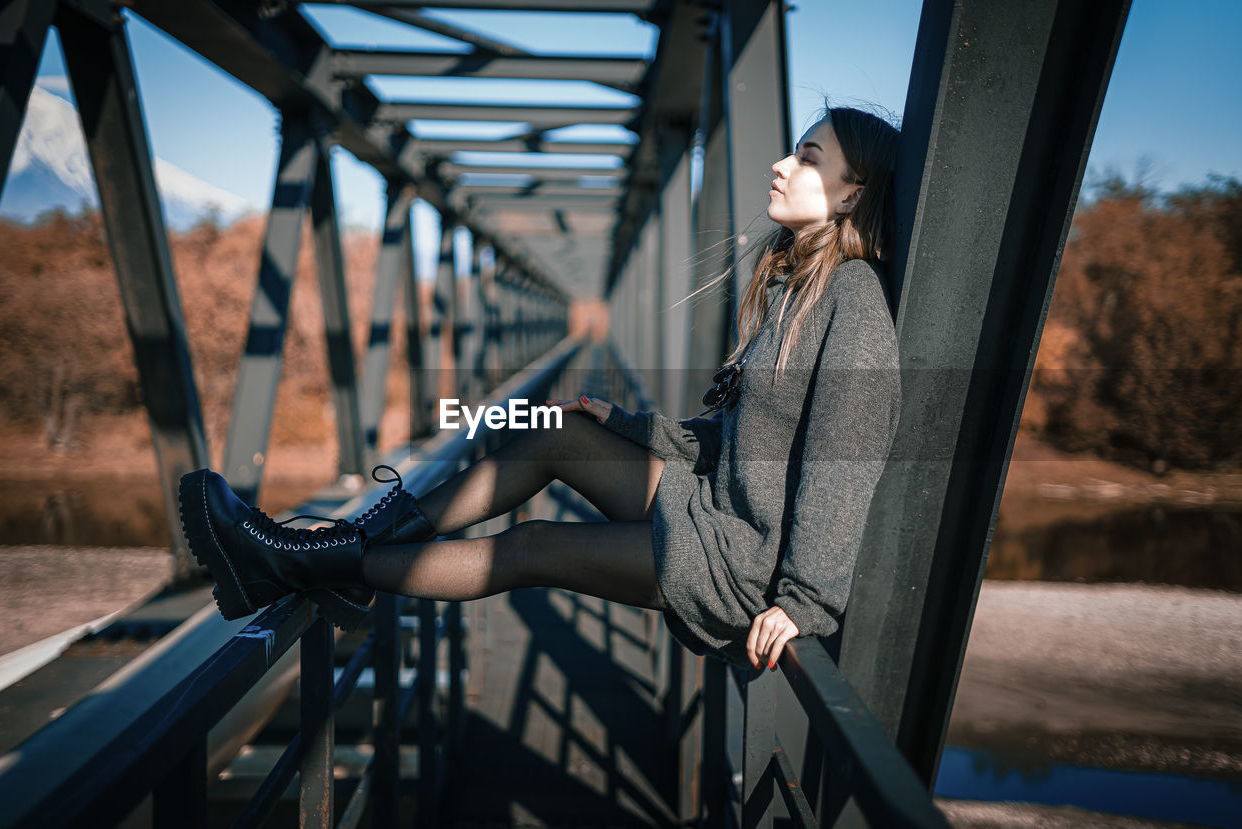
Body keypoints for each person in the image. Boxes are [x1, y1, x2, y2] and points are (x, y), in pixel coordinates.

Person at [179, 105, 902, 674]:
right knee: (560, 431)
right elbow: (731, 439)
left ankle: (306, 561)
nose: (781, 165)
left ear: (852, 193)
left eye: (807, 158)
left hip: (737, 563)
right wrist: (624, 421)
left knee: (525, 547)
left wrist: (804, 600)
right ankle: (342, 543)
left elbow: (845, 459)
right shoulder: (796, 286)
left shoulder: (854, 298)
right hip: (711, 508)